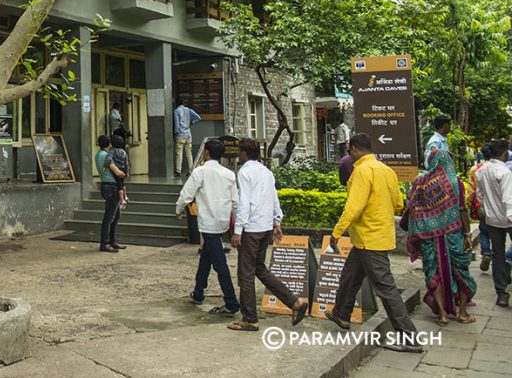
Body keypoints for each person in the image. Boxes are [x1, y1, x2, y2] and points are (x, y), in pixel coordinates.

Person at [325, 133, 422, 352]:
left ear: (354, 148)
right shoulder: (386, 170)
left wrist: (337, 231)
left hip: (369, 238)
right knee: (350, 276)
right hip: (373, 236)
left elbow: (354, 206)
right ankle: (341, 314)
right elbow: (398, 203)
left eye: (350, 150)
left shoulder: (362, 171)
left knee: (386, 289)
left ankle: (409, 338)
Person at [228, 138, 308, 331]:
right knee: (259, 269)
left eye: (240, 152)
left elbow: (244, 202)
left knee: (245, 275)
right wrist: (276, 221)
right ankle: (294, 302)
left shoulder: (245, 172)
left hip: (251, 228)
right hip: (265, 227)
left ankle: (249, 319)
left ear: (244, 154)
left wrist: (238, 230)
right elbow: (274, 196)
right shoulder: (266, 172)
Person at [406, 114, 476, 325]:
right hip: (454, 234)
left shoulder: (420, 183)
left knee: (433, 271)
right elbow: (462, 210)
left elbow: (412, 209)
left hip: (429, 236)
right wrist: (467, 234)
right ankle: (462, 313)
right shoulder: (456, 183)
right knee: (461, 271)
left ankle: (443, 316)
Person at [176, 138, 239, 316]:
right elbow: (236, 200)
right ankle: (198, 291)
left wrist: (178, 208)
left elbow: (186, 194)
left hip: (207, 222)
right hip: (222, 221)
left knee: (220, 264)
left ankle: (231, 302)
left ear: (206, 153)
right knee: (206, 257)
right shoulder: (229, 174)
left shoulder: (200, 172)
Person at [475, 140, 512, 307]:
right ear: (504, 153)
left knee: (497, 254)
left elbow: (480, 195)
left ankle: (502, 293)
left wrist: (488, 210)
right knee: (501, 256)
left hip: (492, 219)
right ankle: (506, 271)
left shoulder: (482, 170)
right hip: (508, 217)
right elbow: (508, 198)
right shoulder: (505, 172)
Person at [95, 135, 126, 253]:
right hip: (111, 186)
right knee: (109, 216)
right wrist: (124, 174)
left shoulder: (98, 154)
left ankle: (112, 241)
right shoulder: (106, 156)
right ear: (109, 144)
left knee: (115, 215)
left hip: (106, 185)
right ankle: (105, 242)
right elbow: (117, 172)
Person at [468, 143, 493, 272]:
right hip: (497, 207)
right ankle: (497, 255)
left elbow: (471, 192)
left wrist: (469, 205)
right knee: (497, 232)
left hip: (481, 206)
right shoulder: (500, 168)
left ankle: (486, 252)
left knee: (483, 231)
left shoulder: (475, 169)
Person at [173, 96, 201, 177]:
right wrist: (192, 122)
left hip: (180, 135)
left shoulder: (176, 111)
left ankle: (178, 171)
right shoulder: (189, 110)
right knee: (189, 153)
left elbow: (177, 126)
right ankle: (191, 170)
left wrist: (175, 134)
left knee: (179, 153)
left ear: (177, 103)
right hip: (188, 134)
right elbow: (198, 118)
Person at [110, 134, 130, 208]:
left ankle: (122, 200)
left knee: (119, 186)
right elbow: (127, 161)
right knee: (122, 183)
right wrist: (127, 171)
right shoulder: (124, 152)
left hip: (118, 169)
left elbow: (109, 159)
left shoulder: (113, 151)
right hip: (124, 169)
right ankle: (125, 196)